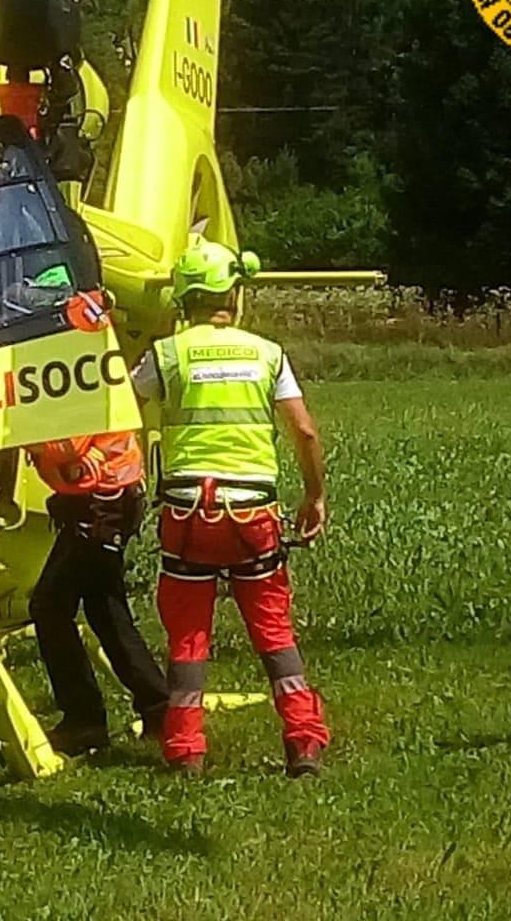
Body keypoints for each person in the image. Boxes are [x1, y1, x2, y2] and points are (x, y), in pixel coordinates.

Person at [133, 237, 330, 777]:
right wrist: (313, 496)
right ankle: (303, 742)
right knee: (273, 632)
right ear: (234, 296)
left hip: (187, 513)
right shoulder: (267, 353)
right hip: (254, 517)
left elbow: (124, 409)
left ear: (184, 299)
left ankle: (185, 750)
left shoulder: (165, 355)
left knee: (188, 636)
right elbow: (306, 431)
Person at [25, 427, 170, 756]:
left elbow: (66, 445)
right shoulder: (93, 379)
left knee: (49, 607)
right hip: (108, 497)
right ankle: (158, 708)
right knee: (106, 610)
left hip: (99, 502)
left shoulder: (74, 385)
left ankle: (84, 721)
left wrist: (20, 436)